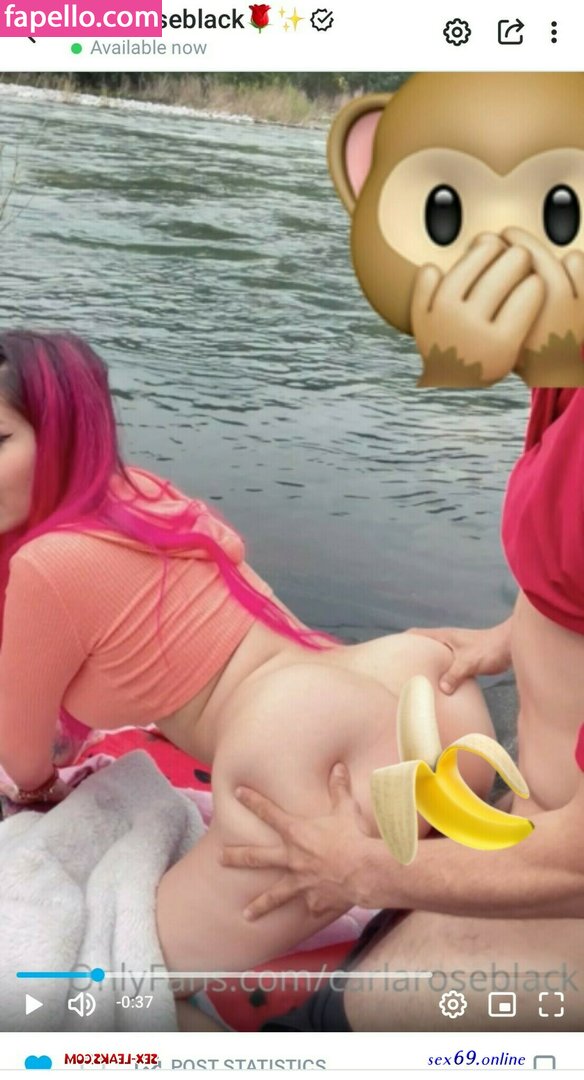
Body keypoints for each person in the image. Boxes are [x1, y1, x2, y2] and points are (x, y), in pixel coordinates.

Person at [0, 329, 497, 1023]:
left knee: (115, 981)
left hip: (300, 751)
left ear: (62, 434)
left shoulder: (45, 564)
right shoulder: (146, 495)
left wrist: (41, 792)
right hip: (419, 693)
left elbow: (22, 758)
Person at [221, 387, 584, 1031]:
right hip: (543, 817)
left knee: (313, 1037)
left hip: (566, 882)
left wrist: (359, 869)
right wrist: (518, 633)